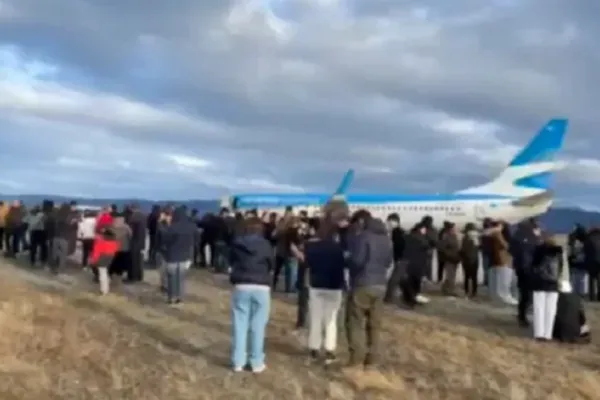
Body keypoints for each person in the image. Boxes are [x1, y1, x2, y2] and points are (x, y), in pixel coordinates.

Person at [346, 217, 392, 369]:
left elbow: (357, 261)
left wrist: (348, 262)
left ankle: (356, 358)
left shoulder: (363, 238)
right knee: (374, 324)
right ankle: (372, 358)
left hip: (363, 283)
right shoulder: (386, 240)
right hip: (380, 285)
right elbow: (388, 262)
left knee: (355, 321)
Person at [229, 217, 273, 373]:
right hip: (261, 286)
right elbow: (271, 264)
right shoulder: (266, 245)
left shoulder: (237, 243)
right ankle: (256, 361)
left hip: (241, 284)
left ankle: (238, 361)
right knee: (258, 326)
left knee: (239, 324)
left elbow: (231, 262)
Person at [304, 219, 345, 365]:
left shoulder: (311, 247)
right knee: (331, 320)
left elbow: (307, 264)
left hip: (317, 285)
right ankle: (330, 350)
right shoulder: (339, 249)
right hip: (334, 286)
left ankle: (314, 349)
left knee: (315, 318)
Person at [529, 234, 562, 341]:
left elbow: (533, 267)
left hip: (539, 283)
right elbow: (561, 268)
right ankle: (548, 334)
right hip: (553, 284)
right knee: (551, 310)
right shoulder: (559, 252)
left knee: (539, 308)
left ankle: (539, 333)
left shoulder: (538, 251)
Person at [161, 206, 196, 304]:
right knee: (181, 279)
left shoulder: (172, 228)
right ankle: (180, 297)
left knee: (171, 278)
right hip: (184, 257)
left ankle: (172, 297)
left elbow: (166, 241)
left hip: (172, 256)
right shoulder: (190, 227)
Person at [460, 223, 480, 298]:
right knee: (473, 276)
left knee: (467, 276)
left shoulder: (465, 238)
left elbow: (463, 250)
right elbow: (478, 248)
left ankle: (467, 291)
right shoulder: (475, 239)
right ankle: (473, 292)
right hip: (474, 260)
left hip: (467, 260)